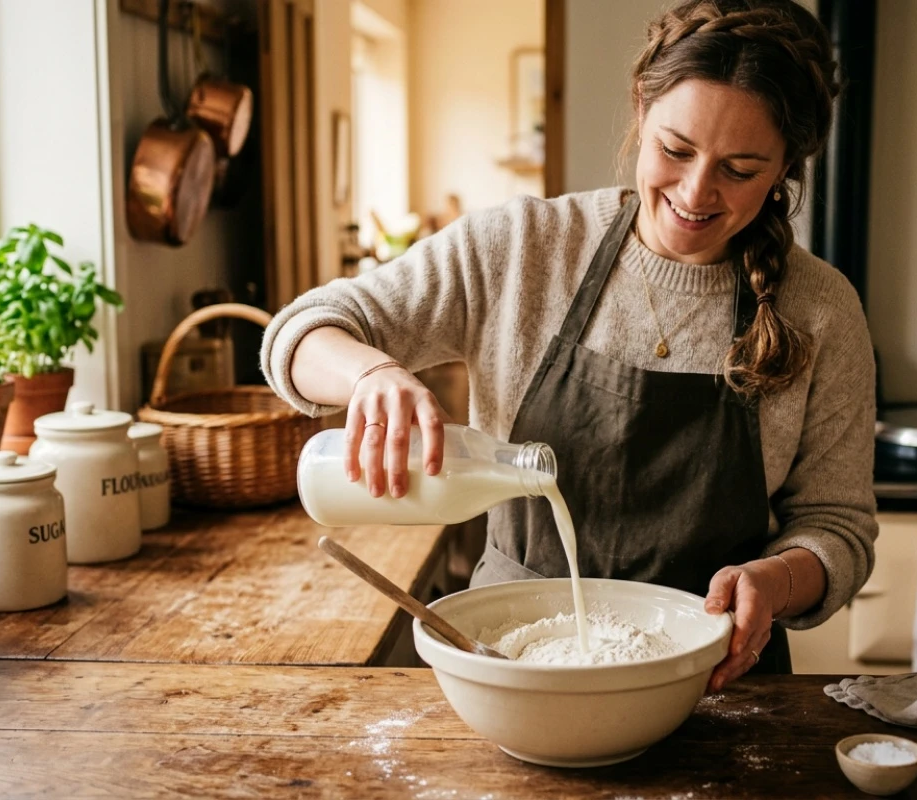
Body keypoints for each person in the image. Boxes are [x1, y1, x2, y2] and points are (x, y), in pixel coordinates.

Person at [262, 0, 877, 691]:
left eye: (739, 169)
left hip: (717, 684)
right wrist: (371, 372)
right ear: (640, 109)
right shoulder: (523, 249)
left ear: (786, 166)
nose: (695, 191)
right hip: (513, 667)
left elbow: (838, 527)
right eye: (675, 150)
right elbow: (300, 332)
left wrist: (776, 580)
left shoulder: (820, 309)